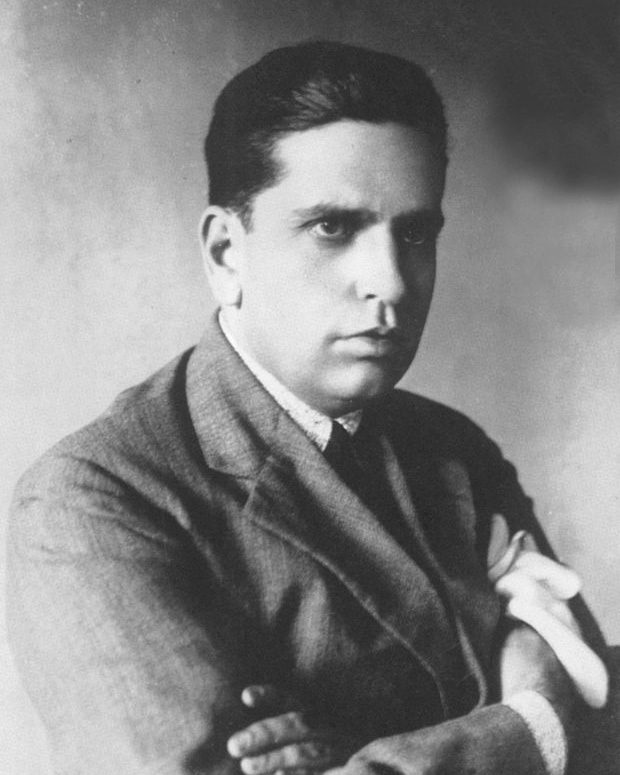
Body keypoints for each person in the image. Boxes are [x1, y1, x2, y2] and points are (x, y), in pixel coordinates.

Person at [6, 41, 610, 775]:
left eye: (414, 233)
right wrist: (535, 718)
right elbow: (570, 711)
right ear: (226, 253)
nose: (390, 281)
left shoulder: (454, 448)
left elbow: (606, 720)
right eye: (333, 227)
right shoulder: (94, 498)